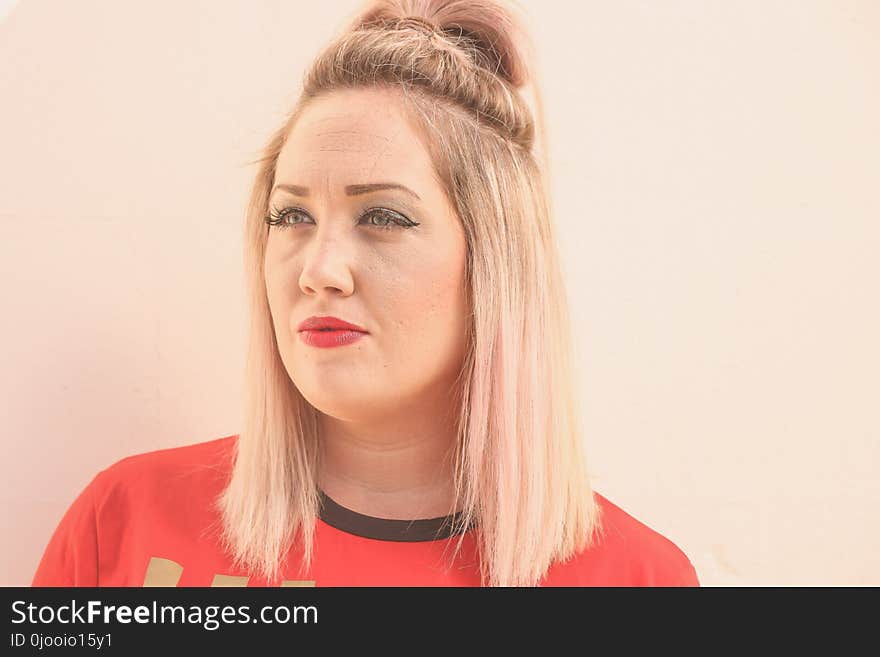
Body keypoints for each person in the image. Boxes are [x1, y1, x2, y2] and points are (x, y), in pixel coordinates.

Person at [32, 0, 699, 587]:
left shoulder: (638, 582)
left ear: (494, 263)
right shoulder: (123, 520)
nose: (319, 269)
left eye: (382, 216)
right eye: (292, 215)